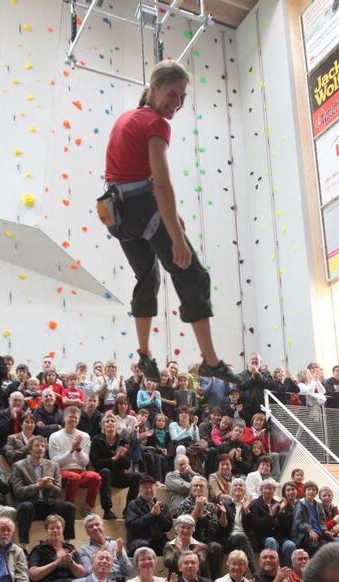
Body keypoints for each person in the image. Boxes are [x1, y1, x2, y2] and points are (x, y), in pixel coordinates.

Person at [103, 59, 240, 385]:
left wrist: (169, 217)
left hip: (116, 215)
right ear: (154, 88)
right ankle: (210, 362)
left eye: (182, 97)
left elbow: (134, 173)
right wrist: (176, 238)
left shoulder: (127, 117)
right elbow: (162, 186)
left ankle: (144, 353)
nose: (177, 103)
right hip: (139, 209)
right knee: (192, 273)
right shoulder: (155, 124)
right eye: (172, 95)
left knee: (147, 275)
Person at [11, 434, 76, 542]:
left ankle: (68, 543)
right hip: (31, 505)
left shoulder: (53, 465)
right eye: (37, 446)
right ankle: (23, 544)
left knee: (69, 507)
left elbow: (58, 491)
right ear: (30, 449)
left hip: (48, 504)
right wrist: (38, 486)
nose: (40, 448)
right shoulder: (19, 466)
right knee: (25, 507)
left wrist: (50, 486)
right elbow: (18, 492)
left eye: (42, 446)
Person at [48, 406, 102, 515]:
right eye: (71, 417)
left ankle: (88, 507)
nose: (73, 419)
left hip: (80, 471)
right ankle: (69, 507)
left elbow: (85, 462)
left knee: (96, 477)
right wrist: (71, 450)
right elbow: (55, 462)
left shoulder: (84, 436)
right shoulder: (55, 436)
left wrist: (78, 450)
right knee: (74, 477)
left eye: (76, 417)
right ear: (64, 418)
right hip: (61, 472)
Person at [90, 414, 141, 520]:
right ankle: (107, 510)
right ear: (103, 426)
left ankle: (128, 510)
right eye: (107, 421)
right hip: (103, 476)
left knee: (137, 476)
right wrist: (112, 459)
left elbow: (127, 465)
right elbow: (94, 462)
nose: (110, 423)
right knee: (105, 472)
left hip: (119, 476)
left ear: (116, 425)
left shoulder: (123, 441)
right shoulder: (96, 440)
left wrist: (121, 456)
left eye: (112, 421)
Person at [178, 474, 226, 580]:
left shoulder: (211, 506)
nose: (198, 488)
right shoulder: (183, 504)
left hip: (207, 540)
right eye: (195, 485)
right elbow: (185, 526)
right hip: (189, 541)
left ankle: (217, 580)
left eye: (201, 486)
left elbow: (214, 529)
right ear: (191, 488)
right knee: (201, 549)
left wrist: (202, 515)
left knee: (216, 547)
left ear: (206, 489)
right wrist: (197, 508)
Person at [124, 474, 173, 556]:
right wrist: (151, 514)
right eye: (145, 488)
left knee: (174, 547)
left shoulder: (162, 505)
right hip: (138, 541)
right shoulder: (133, 505)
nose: (149, 490)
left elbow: (168, 527)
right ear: (140, 489)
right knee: (145, 548)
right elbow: (132, 527)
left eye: (151, 487)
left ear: (155, 488)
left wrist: (159, 515)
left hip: (158, 541)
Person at [77, 514, 132, 582]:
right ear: (87, 532)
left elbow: (129, 572)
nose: (95, 528)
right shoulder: (84, 550)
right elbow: (89, 573)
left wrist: (120, 555)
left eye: (97, 524)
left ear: (103, 527)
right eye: (91, 526)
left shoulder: (115, 544)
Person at [291, 480, 327, 555]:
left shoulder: (319, 505)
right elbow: (298, 523)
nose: (311, 491)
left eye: (313, 490)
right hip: (304, 534)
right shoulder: (300, 504)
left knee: (330, 545)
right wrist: (309, 529)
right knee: (314, 546)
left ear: (316, 492)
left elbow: (322, 521)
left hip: (318, 532)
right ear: (305, 491)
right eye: (308, 489)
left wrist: (324, 530)